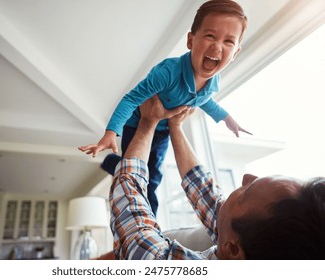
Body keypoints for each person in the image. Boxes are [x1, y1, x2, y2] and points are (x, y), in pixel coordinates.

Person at [79, 0, 251, 216]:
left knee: (154, 175)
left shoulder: (213, 82)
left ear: (235, 53)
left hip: (164, 132)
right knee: (137, 171)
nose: (217, 46)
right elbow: (132, 99)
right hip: (137, 124)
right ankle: (151, 214)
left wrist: (226, 118)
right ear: (190, 40)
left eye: (228, 41)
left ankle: (114, 165)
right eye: (210, 36)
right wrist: (111, 132)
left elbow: (204, 100)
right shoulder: (168, 72)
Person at [110, 95, 325, 260]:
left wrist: (148, 122)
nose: (246, 177)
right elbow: (205, 193)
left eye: (246, 193)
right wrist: (175, 126)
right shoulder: (250, 248)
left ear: (232, 249)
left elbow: (134, 227)